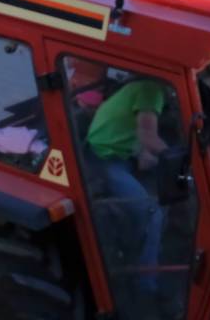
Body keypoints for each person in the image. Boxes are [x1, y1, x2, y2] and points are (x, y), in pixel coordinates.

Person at [85, 79, 170, 298]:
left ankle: (144, 248)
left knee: (161, 194)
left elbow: (140, 136)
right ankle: (145, 287)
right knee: (153, 213)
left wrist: (140, 152)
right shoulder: (150, 89)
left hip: (120, 154)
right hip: (103, 160)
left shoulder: (141, 87)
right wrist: (183, 158)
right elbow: (148, 136)